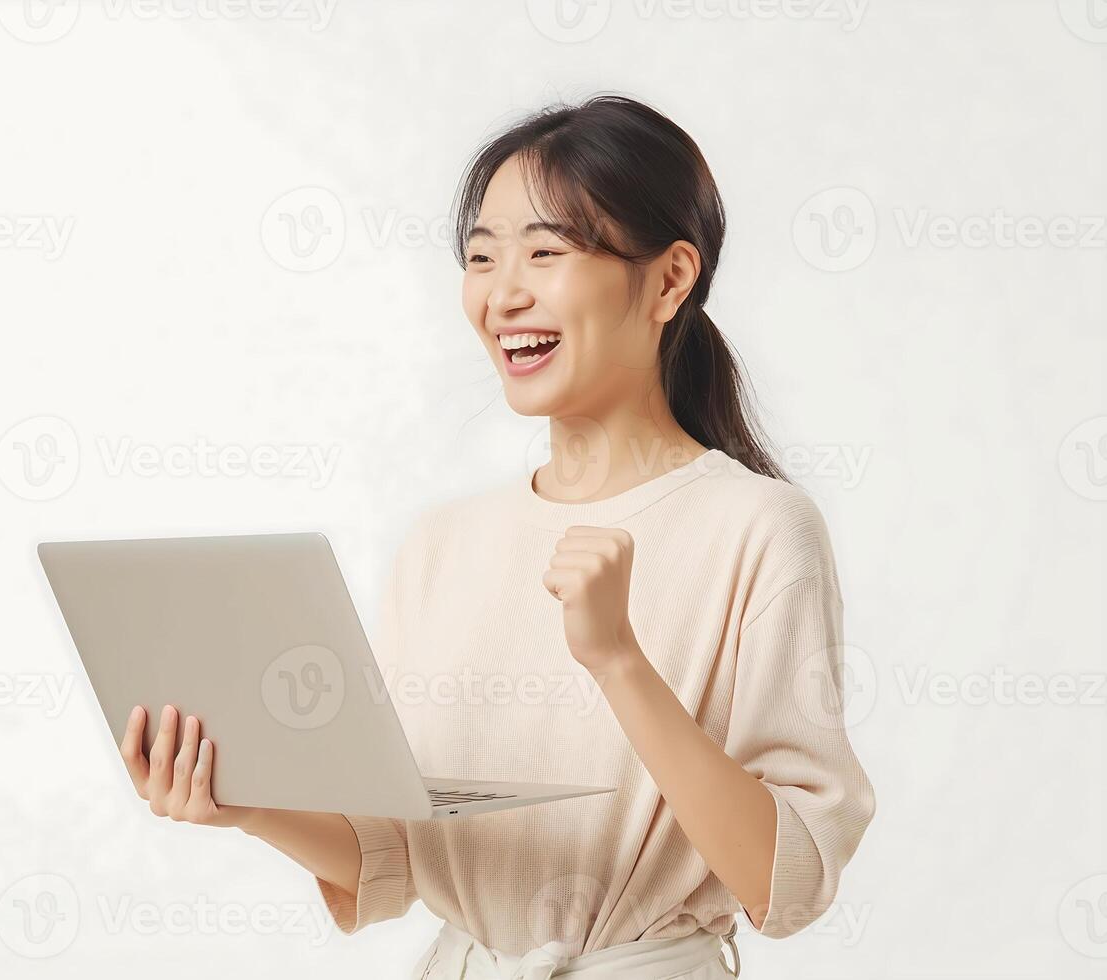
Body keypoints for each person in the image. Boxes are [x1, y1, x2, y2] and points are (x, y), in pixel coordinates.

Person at [119, 94, 876, 979]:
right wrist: (237, 804)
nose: (502, 293)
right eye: (481, 257)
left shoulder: (757, 528)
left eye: (546, 252)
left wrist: (620, 661)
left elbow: (785, 882)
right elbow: (389, 853)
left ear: (670, 280)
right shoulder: (442, 543)